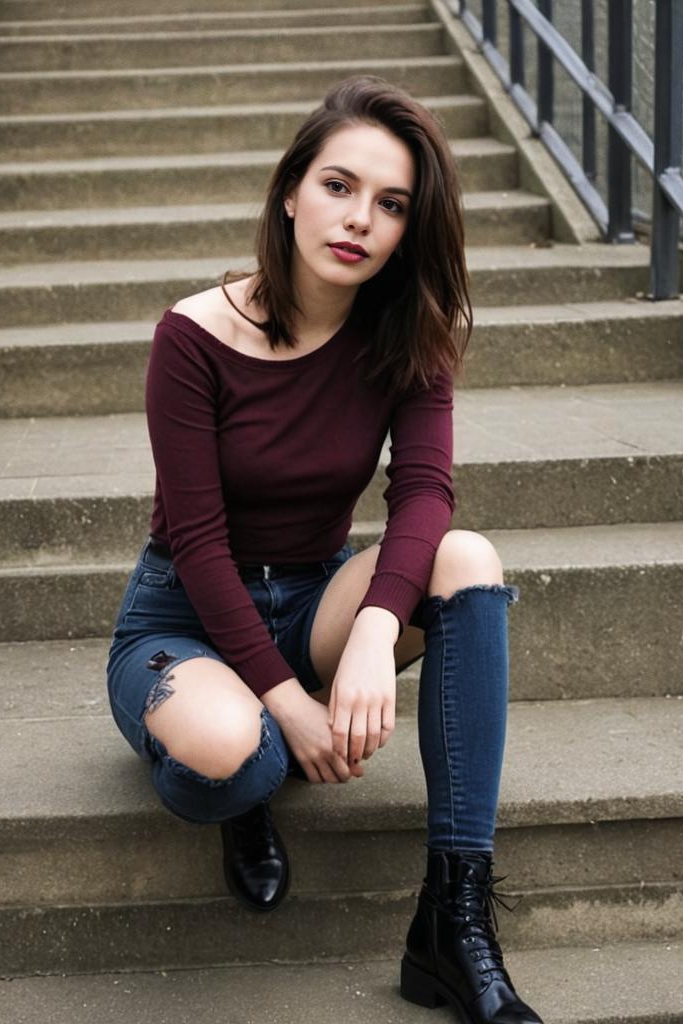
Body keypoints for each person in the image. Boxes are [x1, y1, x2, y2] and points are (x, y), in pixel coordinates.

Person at [106, 75, 543, 1024]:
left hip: (315, 601)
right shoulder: (193, 335)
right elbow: (201, 538)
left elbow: (424, 494)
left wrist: (377, 631)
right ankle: (244, 778)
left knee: (465, 555)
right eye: (339, 186)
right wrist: (285, 708)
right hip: (183, 613)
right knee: (238, 752)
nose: (360, 220)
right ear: (290, 190)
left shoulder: (411, 332)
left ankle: (453, 919)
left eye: (391, 205)